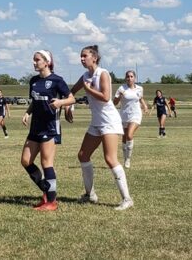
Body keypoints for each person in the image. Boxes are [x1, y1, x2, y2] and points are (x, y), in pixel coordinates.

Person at [71, 45, 134, 211]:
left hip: (109, 122)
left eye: (85, 56)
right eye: (81, 56)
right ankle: (90, 194)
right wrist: (67, 106)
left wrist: (88, 89)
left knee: (110, 159)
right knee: (83, 155)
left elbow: (106, 97)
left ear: (95, 58)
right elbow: (72, 92)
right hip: (96, 122)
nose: (82, 59)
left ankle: (127, 199)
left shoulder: (103, 74)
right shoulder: (85, 76)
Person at [20, 49, 75, 211]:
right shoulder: (34, 81)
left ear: (47, 62)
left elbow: (72, 98)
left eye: (37, 59)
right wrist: (27, 113)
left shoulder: (57, 80)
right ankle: (47, 189)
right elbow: (34, 101)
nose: (34, 62)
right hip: (35, 126)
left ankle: (51, 202)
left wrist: (60, 103)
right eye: (34, 60)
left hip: (50, 127)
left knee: (46, 163)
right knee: (25, 161)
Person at [114, 70, 149, 169]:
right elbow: (115, 102)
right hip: (124, 115)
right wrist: (119, 96)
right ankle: (125, 158)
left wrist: (145, 106)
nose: (129, 78)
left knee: (129, 135)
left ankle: (128, 159)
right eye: (128, 77)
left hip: (136, 114)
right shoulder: (121, 88)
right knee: (124, 138)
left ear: (135, 78)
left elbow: (140, 98)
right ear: (125, 78)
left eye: (131, 76)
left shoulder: (139, 88)